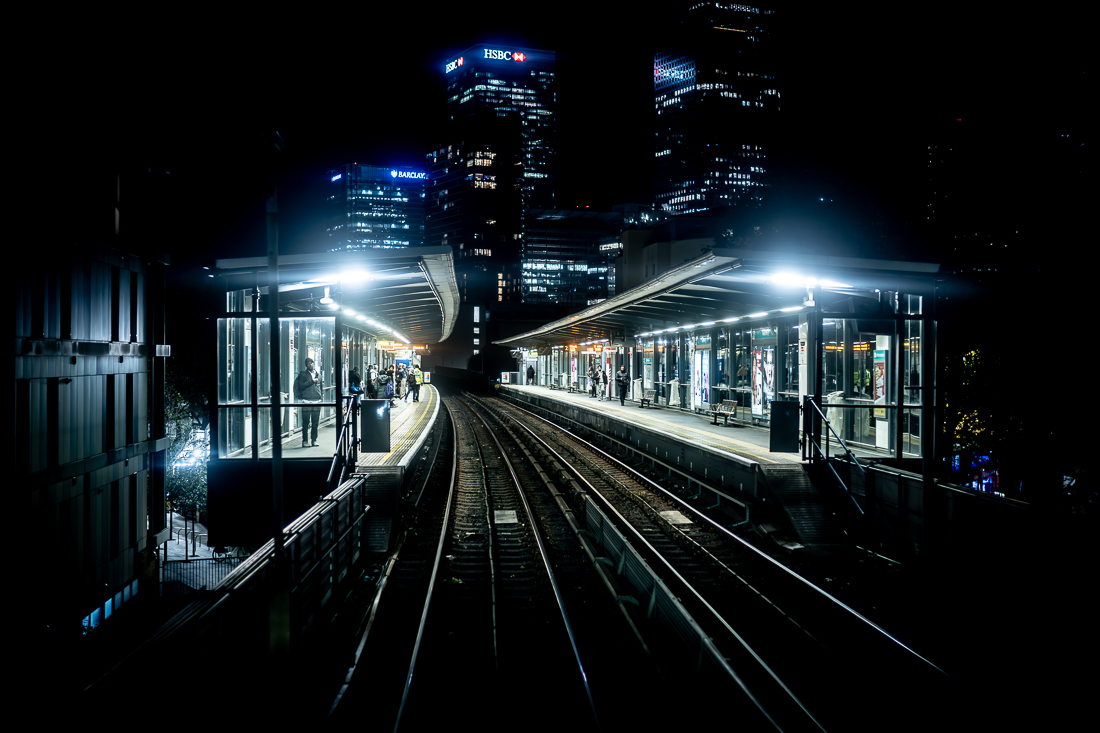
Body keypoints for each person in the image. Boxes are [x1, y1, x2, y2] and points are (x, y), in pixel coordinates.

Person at [294, 357, 322, 447]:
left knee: (315, 422)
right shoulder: (303, 375)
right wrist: (312, 381)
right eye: (308, 363)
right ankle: (305, 440)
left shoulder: (318, 374)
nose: (311, 364)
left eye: (312, 362)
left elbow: (320, 386)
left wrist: (321, 396)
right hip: (306, 401)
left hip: (317, 401)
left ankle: (314, 439)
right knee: (306, 422)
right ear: (306, 365)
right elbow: (301, 386)